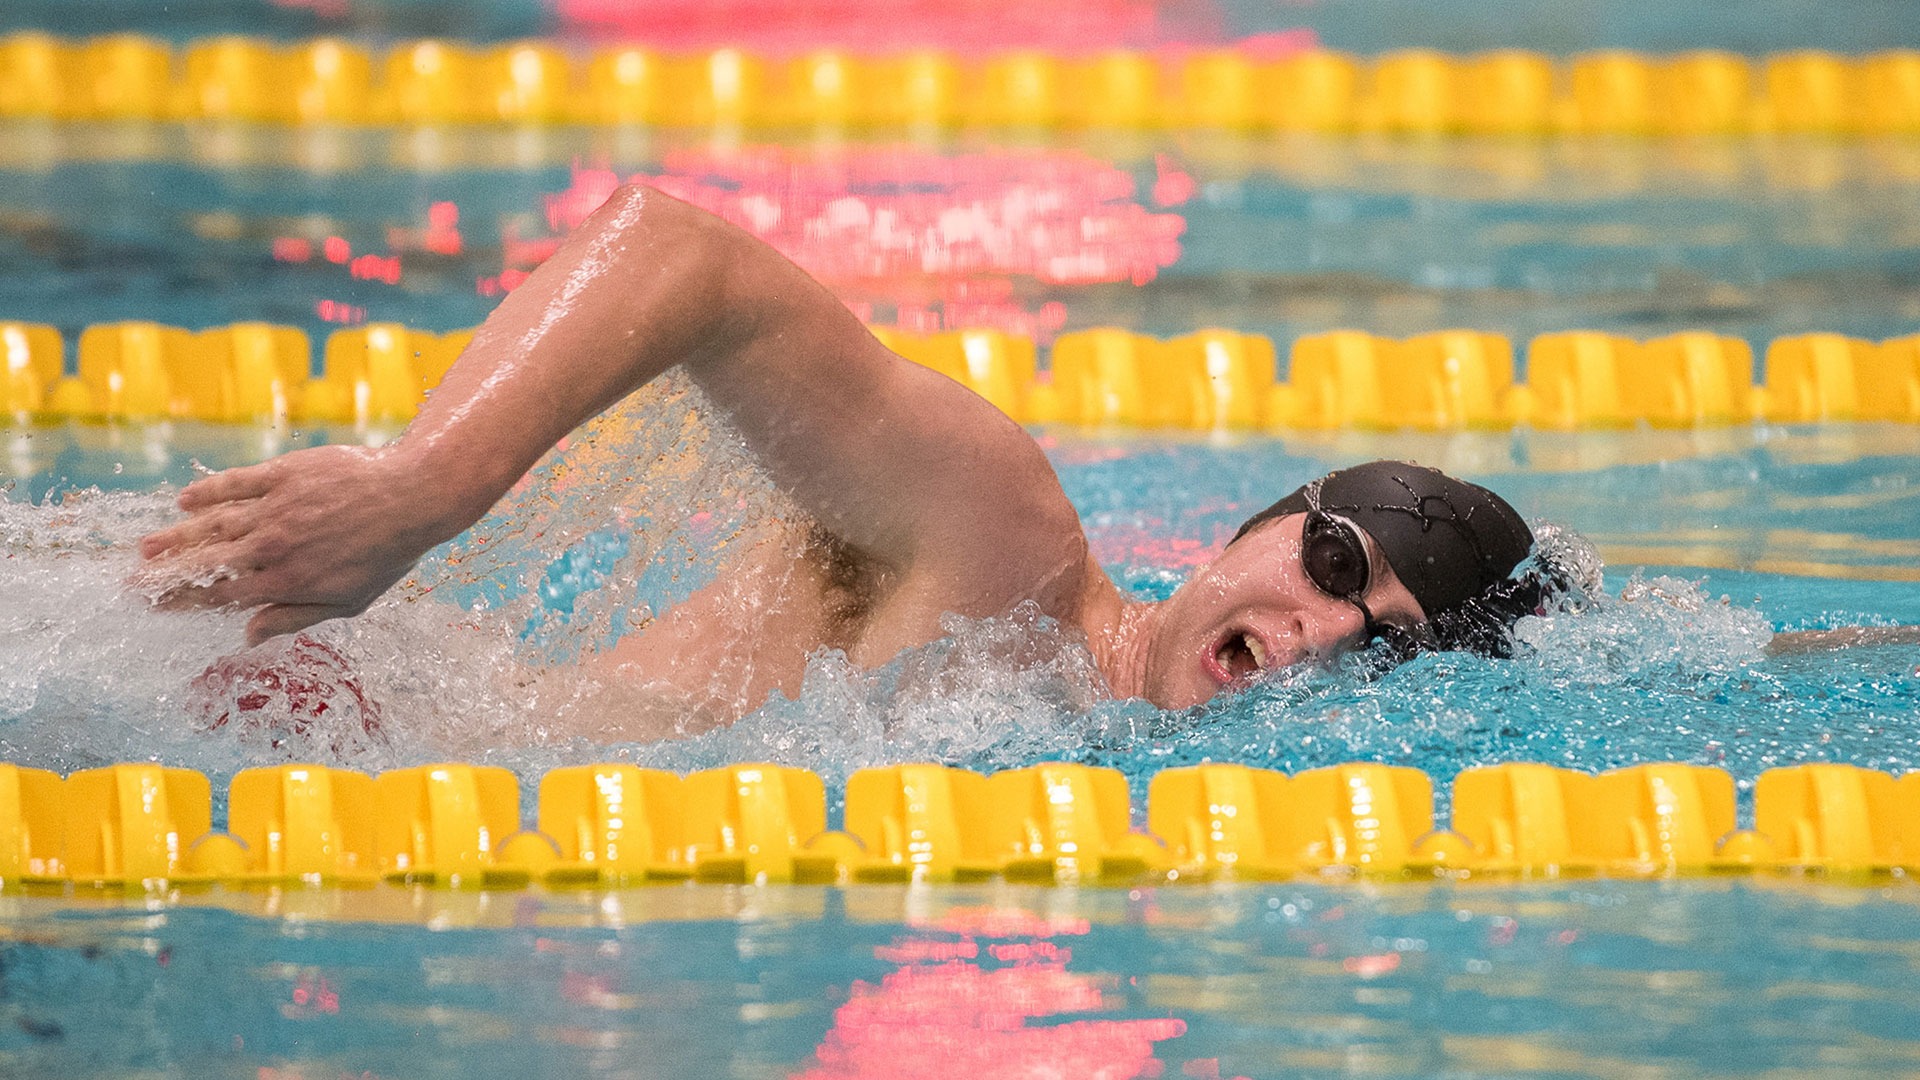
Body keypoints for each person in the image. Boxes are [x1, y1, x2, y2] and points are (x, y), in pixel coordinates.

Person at [132, 185, 1894, 734]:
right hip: (243, 694)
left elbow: (1704, 656)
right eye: (1337, 569)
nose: (1328, 631)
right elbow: (687, 253)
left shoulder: (1075, 730)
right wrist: (424, 490)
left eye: (1392, 644)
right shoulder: (1006, 548)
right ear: (1256, 528)